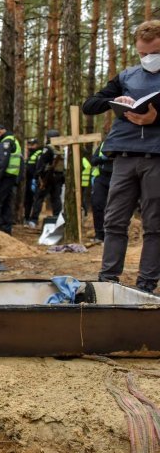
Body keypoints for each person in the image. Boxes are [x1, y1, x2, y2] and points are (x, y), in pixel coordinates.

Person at [82, 19, 160, 293]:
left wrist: (155, 117)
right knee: (114, 220)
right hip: (123, 156)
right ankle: (108, 279)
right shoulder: (126, 77)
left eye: (154, 52)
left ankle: (146, 284)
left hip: (157, 158)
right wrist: (116, 102)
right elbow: (89, 105)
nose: (147, 58)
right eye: (142, 53)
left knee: (154, 223)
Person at [0, 123, 22, 234]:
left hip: (5, 176)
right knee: (7, 202)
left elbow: (3, 162)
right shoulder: (14, 140)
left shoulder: (6, 142)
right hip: (11, 176)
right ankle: (6, 229)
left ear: (0, 131)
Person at [27, 130, 63, 227]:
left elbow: (41, 163)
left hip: (47, 177)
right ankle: (58, 219)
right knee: (56, 198)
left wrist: (36, 176)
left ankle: (33, 220)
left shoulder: (48, 148)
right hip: (58, 177)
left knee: (39, 198)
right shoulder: (61, 149)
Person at [90, 142, 112, 243]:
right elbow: (93, 161)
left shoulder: (124, 142)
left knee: (113, 208)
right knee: (97, 204)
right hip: (101, 178)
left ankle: (111, 234)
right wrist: (102, 158)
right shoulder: (104, 144)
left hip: (117, 178)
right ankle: (99, 234)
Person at [24, 138, 42, 223]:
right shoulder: (30, 154)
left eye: (32, 144)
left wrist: (36, 178)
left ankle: (34, 219)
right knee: (28, 200)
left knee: (37, 200)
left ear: (37, 145)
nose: (30, 146)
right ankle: (26, 217)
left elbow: (38, 167)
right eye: (29, 144)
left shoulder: (39, 153)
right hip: (29, 180)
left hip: (36, 180)